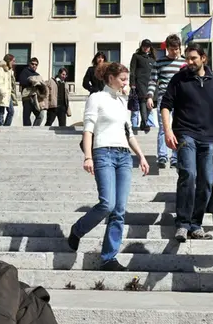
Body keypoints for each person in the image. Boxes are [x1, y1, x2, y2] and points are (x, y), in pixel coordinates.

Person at [67, 62, 150, 271]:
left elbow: (129, 133)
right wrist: (88, 156)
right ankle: (78, 230)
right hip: (103, 153)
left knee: (119, 210)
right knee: (107, 204)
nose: (126, 82)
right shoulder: (96, 98)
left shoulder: (123, 102)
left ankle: (109, 257)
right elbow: (88, 129)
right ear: (111, 78)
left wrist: (141, 156)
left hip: (124, 156)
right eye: (122, 78)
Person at [160, 44, 213, 242]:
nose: (189, 62)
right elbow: (165, 105)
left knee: (206, 181)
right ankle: (182, 224)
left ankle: (195, 225)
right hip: (185, 134)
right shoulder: (179, 79)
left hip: (208, 138)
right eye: (187, 58)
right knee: (188, 174)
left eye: (193, 58)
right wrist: (168, 131)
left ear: (203, 58)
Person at [147, 34, 185, 169]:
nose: (175, 52)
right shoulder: (159, 62)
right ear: (167, 48)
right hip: (164, 98)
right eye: (172, 49)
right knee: (164, 127)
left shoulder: (184, 63)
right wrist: (150, 96)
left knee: (177, 127)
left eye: (177, 49)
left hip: (181, 99)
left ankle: (175, 157)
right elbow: (153, 80)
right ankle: (162, 156)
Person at [129, 40, 155, 133]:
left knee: (149, 102)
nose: (146, 48)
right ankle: (144, 121)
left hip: (151, 83)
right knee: (143, 100)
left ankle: (145, 121)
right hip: (139, 82)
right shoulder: (136, 56)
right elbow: (132, 70)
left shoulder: (152, 59)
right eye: (144, 46)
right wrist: (132, 84)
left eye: (148, 46)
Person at [0, 54, 16, 127]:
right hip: (2, 94)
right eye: (13, 61)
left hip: (8, 94)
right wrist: (3, 92)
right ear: (8, 60)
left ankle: (6, 126)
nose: (14, 63)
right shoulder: (0, 69)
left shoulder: (9, 70)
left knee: (10, 111)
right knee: (1, 111)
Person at [18, 57, 42, 126]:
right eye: (32, 64)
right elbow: (22, 81)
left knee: (40, 115)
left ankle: (34, 129)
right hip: (27, 97)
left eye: (36, 64)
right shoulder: (25, 71)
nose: (34, 65)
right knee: (26, 115)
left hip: (36, 97)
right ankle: (27, 130)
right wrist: (31, 81)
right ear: (29, 64)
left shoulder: (38, 75)